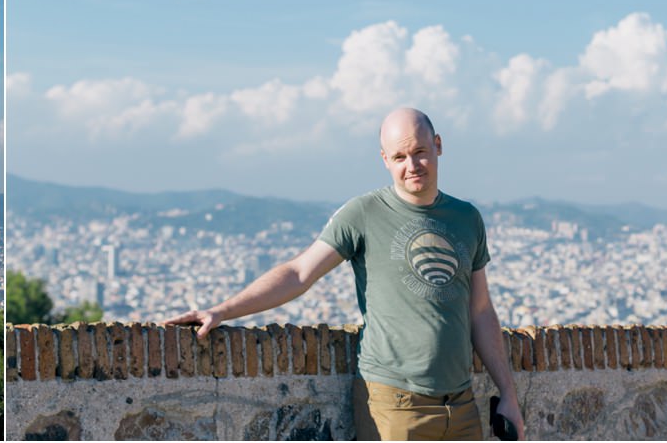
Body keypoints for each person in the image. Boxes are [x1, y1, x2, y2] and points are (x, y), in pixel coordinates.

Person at [164, 107, 526, 441]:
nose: (412, 164)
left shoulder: (467, 218)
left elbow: (480, 310)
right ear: (385, 160)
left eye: (419, 151)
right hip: (395, 404)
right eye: (399, 157)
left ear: (438, 146)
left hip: (460, 403)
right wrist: (224, 311)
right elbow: (299, 273)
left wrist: (508, 393)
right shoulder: (364, 213)